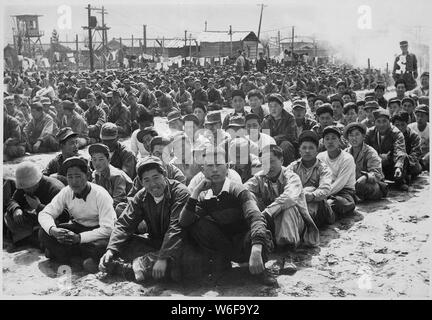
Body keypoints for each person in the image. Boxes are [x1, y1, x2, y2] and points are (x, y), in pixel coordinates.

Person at [179, 147, 277, 286]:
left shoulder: (238, 189)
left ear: (228, 167)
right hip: (225, 245)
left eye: (218, 164)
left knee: (261, 233)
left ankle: (260, 271)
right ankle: (222, 266)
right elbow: (184, 222)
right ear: (203, 170)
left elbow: (256, 218)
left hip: (245, 242)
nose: (214, 170)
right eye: (209, 166)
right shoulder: (203, 195)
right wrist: (195, 192)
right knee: (197, 225)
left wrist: (256, 248)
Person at [98, 156, 190, 283]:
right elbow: (124, 224)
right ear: (141, 182)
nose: (152, 184)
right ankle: (135, 266)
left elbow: (176, 228)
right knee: (121, 243)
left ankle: (130, 268)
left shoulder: (180, 192)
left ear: (165, 175)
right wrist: (111, 250)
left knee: (182, 263)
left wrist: (162, 257)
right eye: (146, 180)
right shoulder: (141, 196)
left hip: (181, 243)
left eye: (156, 177)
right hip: (156, 243)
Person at [38, 157, 117, 272]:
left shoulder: (100, 194)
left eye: (78, 176)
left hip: (98, 232)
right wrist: (53, 230)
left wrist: (79, 238)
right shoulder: (66, 191)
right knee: (43, 232)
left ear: (88, 176)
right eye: (70, 177)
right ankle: (79, 260)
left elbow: (109, 229)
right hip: (78, 228)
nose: (74, 181)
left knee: (99, 246)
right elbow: (45, 213)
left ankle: (65, 256)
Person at [245, 144, 319, 248]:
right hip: (271, 220)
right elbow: (244, 190)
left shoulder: (292, 177)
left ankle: (288, 251)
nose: (268, 166)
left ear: (282, 161)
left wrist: (267, 212)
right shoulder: (260, 177)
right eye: (264, 163)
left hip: (295, 223)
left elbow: (289, 197)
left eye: (271, 161)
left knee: (288, 208)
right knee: (248, 196)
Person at [4, 162, 65, 246]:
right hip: (37, 219)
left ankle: (31, 238)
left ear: (37, 182)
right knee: (9, 215)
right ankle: (30, 237)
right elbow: (13, 200)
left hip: (53, 221)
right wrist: (16, 209)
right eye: (24, 188)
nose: (25, 190)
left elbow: (64, 216)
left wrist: (38, 206)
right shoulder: (27, 185)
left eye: (28, 188)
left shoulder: (55, 189)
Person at [287, 130, 333, 228]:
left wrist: (311, 195)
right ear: (299, 150)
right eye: (304, 148)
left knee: (309, 190)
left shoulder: (323, 168)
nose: (307, 151)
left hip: (319, 207)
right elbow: (284, 185)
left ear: (317, 150)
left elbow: (325, 189)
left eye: (311, 148)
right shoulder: (293, 167)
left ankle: (301, 227)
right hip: (297, 203)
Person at [317, 126, 357, 218]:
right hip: (325, 190)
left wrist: (319, 196)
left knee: (340, 203)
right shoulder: (320, 157)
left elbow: (340, 183)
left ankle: (328, 212)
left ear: (339, 141)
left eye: (334, 138)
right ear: (323, 142)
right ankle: (327, 211)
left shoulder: (347, 158)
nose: (330, 141)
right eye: (327, 139)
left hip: (344, 191)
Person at [364, 108, 409, 190]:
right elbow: (364, 148)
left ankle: (400, 181)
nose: (382, 125)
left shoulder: (397, 133)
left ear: (389, 122)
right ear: (374, 123)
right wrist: (377, 158)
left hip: (391, 164)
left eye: (384, 121)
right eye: (378, 121)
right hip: (375, 163)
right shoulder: (370, 133)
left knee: (404, 157)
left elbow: (400, 150)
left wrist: (398, 167)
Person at [344, 123, 387, 201]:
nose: (354, 138)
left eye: (357, 134)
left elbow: (376, 173)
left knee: (364, 186)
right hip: (352, 185)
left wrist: (365, 177)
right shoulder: (345, 153)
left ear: (363, 136)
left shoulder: (370, 152)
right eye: (351, 135)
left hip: (369, 183)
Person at [89, 143, 133, 212]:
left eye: (101, 159)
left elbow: (118, 200)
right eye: (94, 159)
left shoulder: (116, 176)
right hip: (107, 206)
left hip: (127, 206)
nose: (97, 163)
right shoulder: (95, 174)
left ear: (109, 160)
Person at [261, 93, 297, 166]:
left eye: (275, 106)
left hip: (287, 147)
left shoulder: (290, 118)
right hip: (271, 145)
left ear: (282, 106)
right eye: (270, 106)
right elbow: (265, 137)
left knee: (285, 145)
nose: (273, 109)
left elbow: (290, 136)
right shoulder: (266, 120)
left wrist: (274, 139)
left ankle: (289, 168)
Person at [391, 112, 423, 182]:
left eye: (403, 125)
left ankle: (405, 175)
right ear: (392, 125)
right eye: (397, 125)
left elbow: (416, 153)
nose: (400, 128)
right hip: (393, 161)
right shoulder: (390, 134)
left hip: (409, 163)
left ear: (407, 124)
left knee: (417, 168)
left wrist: (403, 162)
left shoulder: (414, 135)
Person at [408, 105, 429, 171]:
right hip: (414, 156)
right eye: (417, 115)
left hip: (426, 156)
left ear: (427, 117)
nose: (419, 118)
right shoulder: (410, 127)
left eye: (422, 116)